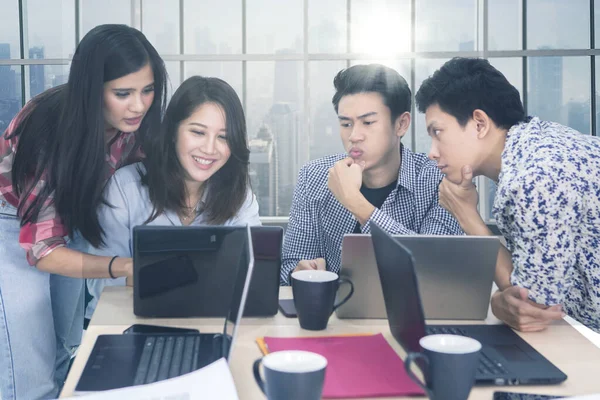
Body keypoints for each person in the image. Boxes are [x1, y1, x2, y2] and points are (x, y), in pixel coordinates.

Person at [0, 24, 167, 399]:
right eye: (123, 93)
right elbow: (41, 250)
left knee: (64, 350)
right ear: (94, 90)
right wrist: (121, 266)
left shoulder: (138, 125)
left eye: (147, 90)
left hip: (67, 218)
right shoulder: (47, 128)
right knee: (29, 377)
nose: (139, 105)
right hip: (12, 225)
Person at [415, 57, 600, 333]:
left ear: (479, 123)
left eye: (438, 132)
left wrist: (468, 217)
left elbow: (535, 310)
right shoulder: (539, 139)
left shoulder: (533, 179)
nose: (432, 151)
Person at [85, 76, 261, 318]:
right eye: (198, 132)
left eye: (223, 137)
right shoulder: (125, 187)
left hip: (209, 321)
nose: (210, 149)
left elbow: (253, 274)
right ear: (173, 132)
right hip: (126, 323)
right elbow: (101, 283)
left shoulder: (240, 197)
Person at [280, 64, 463, 285]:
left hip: (413, 315)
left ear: (401, 124)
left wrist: (356, 203)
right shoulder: (314, 177)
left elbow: (434, 269)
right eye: (346, 124)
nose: (354, 136)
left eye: (368, 123)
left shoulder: (437, 178)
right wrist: (299, 271)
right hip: (333, 316)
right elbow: (289, 266)